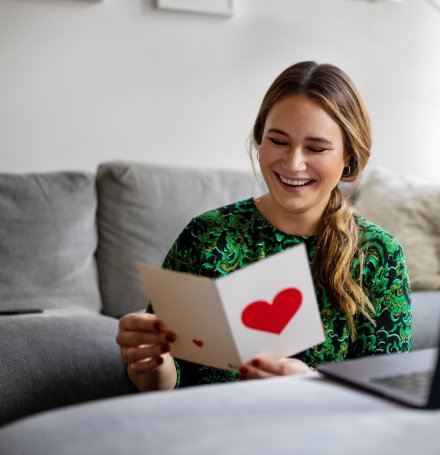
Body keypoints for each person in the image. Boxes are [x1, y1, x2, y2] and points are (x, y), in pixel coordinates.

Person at [116, 61, 412, 391]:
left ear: (348, 158)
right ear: (260, 140)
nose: (293, 163)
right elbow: (167, 381)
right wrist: (150, 365)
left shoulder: (378, 255)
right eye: (279, 141)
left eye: (315, 148)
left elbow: (388, 393)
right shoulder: (207, 236)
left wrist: (313, 387)